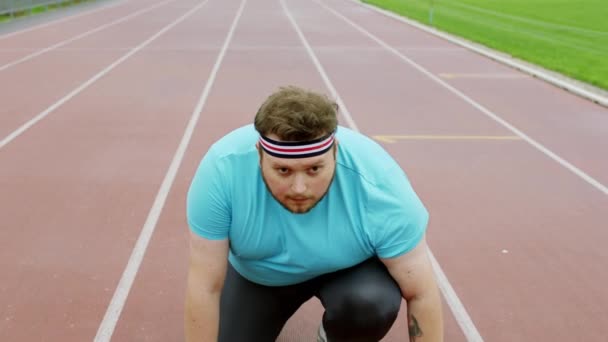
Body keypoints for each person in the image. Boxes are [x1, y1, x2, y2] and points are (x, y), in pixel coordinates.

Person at [184, 86, 443, 342]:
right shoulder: (222, 171)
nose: (299, 188)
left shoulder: (380, 185)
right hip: (261, 277)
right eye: (283, 171)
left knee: (371, 304)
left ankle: (334, 336)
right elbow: (205, 285)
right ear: (260, 154)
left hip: (349, 272)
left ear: (335, 152)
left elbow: (421, 293)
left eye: (314, 169)